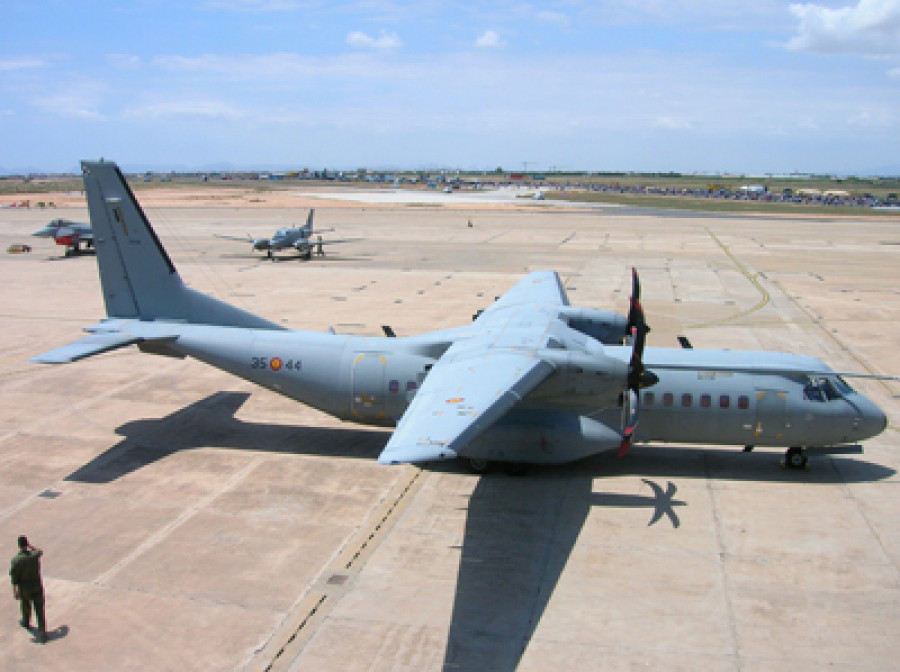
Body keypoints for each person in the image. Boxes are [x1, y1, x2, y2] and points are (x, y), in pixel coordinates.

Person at [10, 536, 46, 643]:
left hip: (24, 588)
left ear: (19, 546)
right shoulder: (34, 555)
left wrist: (14, 590)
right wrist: (31, 546)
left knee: (25, 606)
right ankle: (42, 631)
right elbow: (40, 551)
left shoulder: (16, 560)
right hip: (36, 586)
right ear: (27, 544)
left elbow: (14, 578)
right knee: (39, 609)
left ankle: (26, 622)